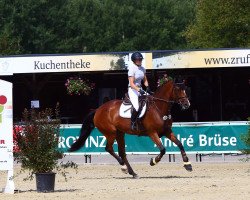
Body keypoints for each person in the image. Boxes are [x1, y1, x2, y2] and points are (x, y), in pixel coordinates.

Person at [128, 52, 153, 130]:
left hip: (140, 89)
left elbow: (145, 80)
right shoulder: (132, 69)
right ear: (134, 60)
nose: (139, 61)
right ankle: (132, 123)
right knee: (136, 107)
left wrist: (147, 87)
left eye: (140, 59)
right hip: (132, 90)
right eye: (138, 59)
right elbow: (131, 84)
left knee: (151, 100)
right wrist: (139, 90)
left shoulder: (142, 68)